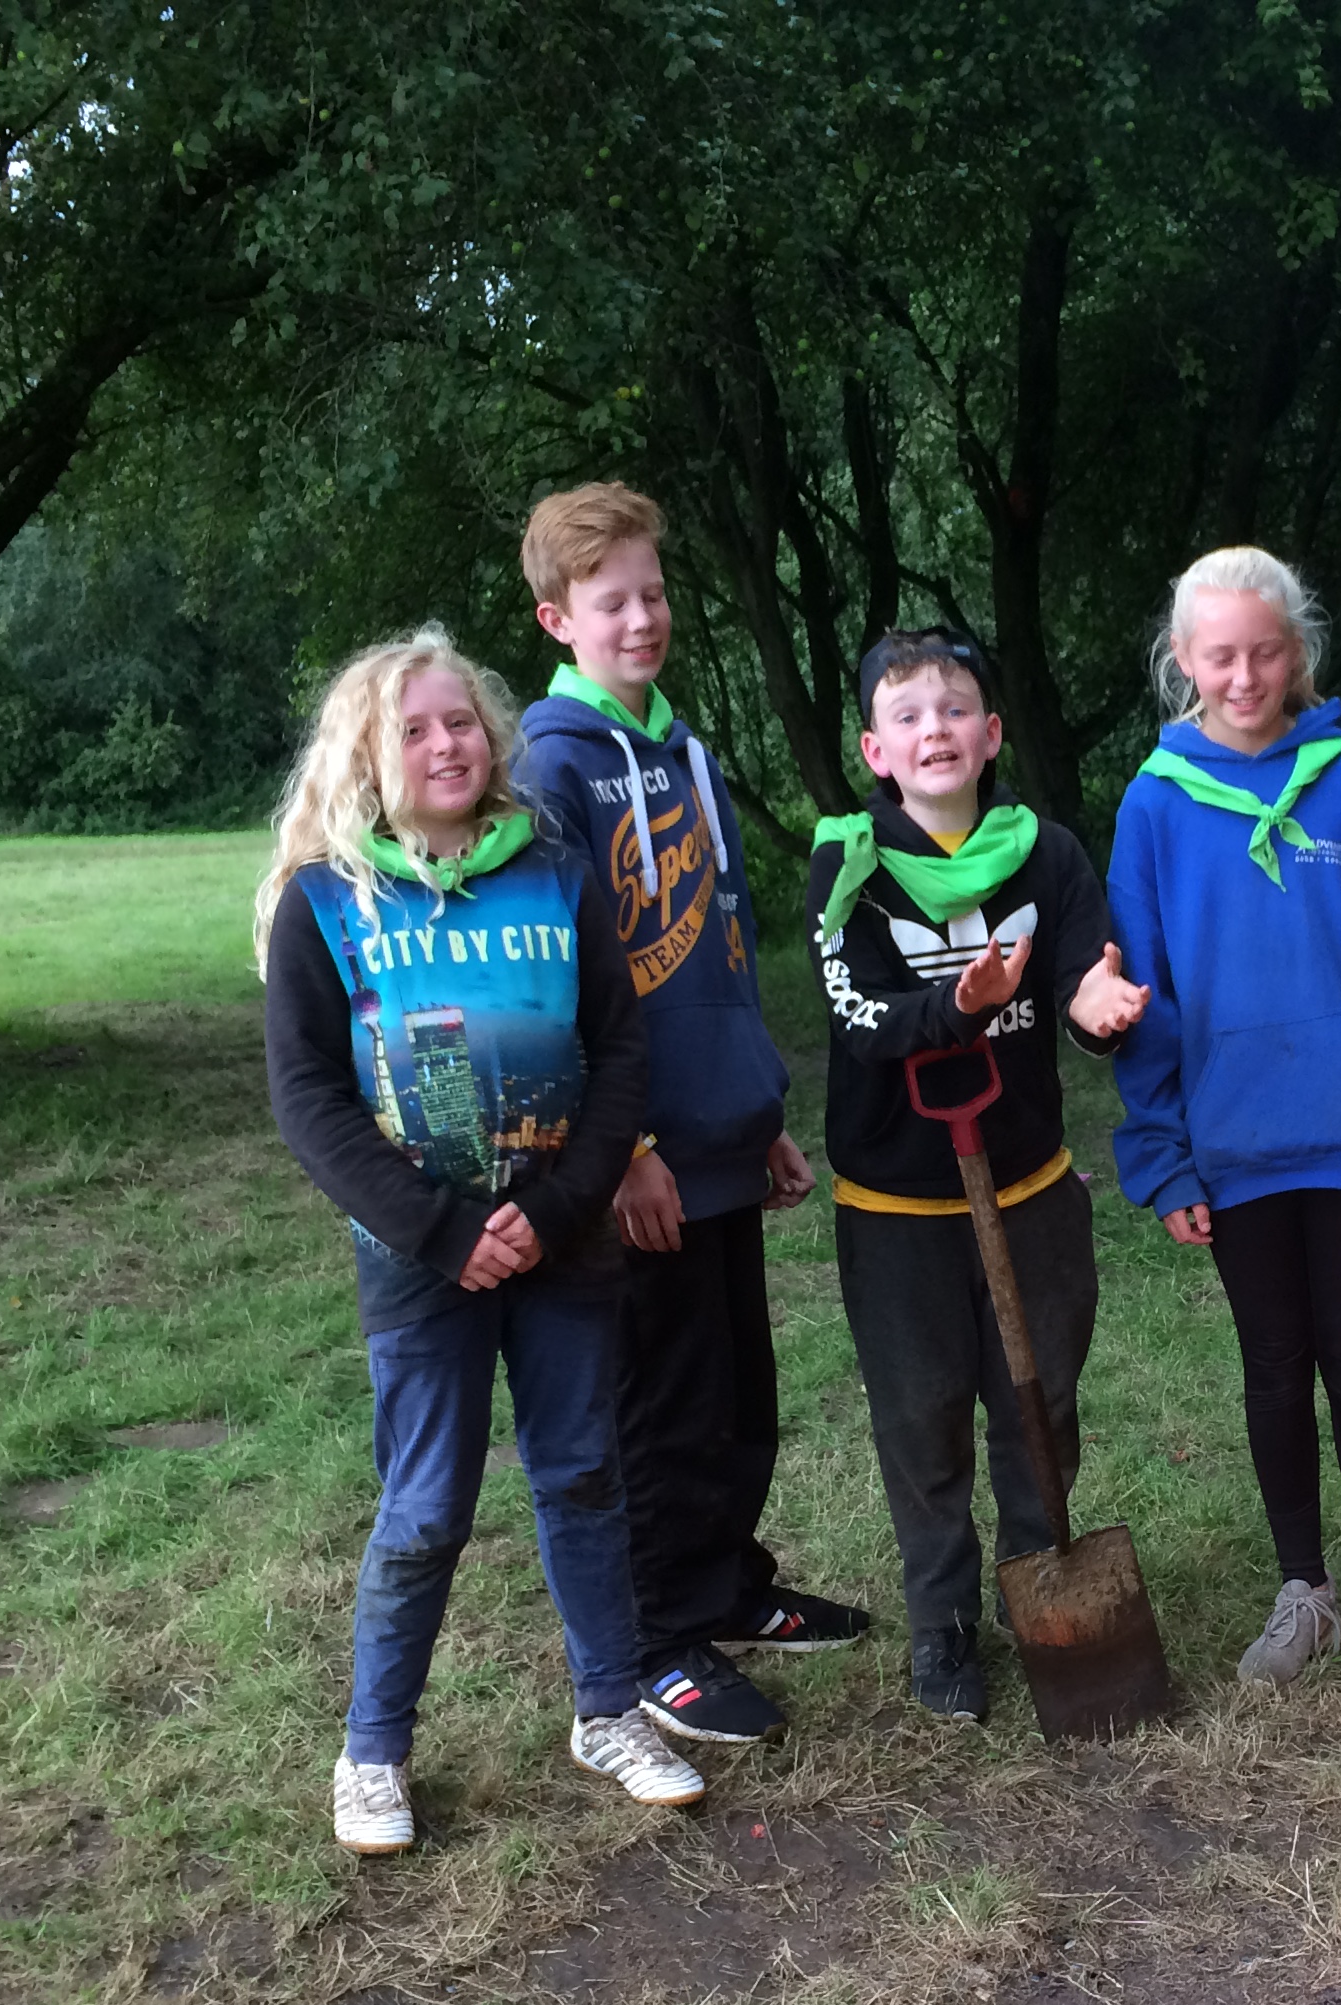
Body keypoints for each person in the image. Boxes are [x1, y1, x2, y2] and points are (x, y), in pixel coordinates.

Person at [256, 628, 705, 1854]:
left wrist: (557, 1211)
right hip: (421, 1259)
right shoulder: (326, 902)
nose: (446, 745)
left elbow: (619, 1054)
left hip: (564, 1240)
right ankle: (373, 1751)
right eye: (414, 730)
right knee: (425, 1506)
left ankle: (610, 1711)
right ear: (369, 755)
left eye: (461, 722)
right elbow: (308, 1099)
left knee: (584, 1474)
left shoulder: (556, 874)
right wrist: (442, 1232)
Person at [510, 481, 868, 1751]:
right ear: (558, 619)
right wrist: (627, 1152)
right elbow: (556, 983)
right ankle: (659, 1638)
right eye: (611, 602)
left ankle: (726, 1588)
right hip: (638, 1158)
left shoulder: (686, 754)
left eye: (654, 594)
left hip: (719, 1139)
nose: (642, 619)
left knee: (734, 1394)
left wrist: (753, 1105)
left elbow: (717, 947)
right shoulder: (551, 766)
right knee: (657, 1405)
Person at [1105, 546, 1341, 1697]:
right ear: (1183, 659)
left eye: (1265, 653)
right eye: (1220, 657)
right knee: (1273, 1365)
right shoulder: (1155, 802)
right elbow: (1141, 987)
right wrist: (1165, 1152)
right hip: (1232, 1145)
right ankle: (1303, 1588)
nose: (1245, 677)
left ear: (1297, 652)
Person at [806, 630, 1151, 1719]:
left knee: (1039, 1401)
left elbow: (1080, 974)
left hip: (1028, 1185)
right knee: (922, 1418)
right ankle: (943, 1622)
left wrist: (1095, 1009)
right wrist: (956, 1008)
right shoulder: (849, 867)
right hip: (897, 1206)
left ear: (992, 733)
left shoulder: (1046, 853)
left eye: (955, 710)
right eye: (908, 717)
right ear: (877, 751)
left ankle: (1040, 1585)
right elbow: (859, 1018)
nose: (935, 731)